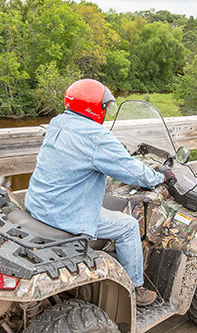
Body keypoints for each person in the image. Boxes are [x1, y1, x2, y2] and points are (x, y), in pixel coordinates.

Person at [24, 79, 176, 306]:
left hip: (38, 204)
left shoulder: (58, 122)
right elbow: (134, 174)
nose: (105, 111)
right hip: (66, 214)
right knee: (128, 226)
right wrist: (160, 176)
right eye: (104, 107)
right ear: (95, 108)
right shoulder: (97, 137)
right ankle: (136, 290)